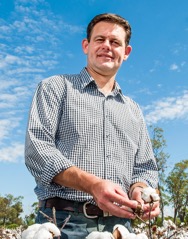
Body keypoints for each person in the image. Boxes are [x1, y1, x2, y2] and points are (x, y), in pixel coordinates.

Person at [25, 13, 160, 239]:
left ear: (126, 53)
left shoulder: (134, 110)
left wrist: (139, 190)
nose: (107, 46)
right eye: (100, 40)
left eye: (115, 42)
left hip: (123, 228)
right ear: (86, 46)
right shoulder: (55, 88)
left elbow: (145, 167)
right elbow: (38, 151)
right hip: (63, 224)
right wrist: (93, 184)